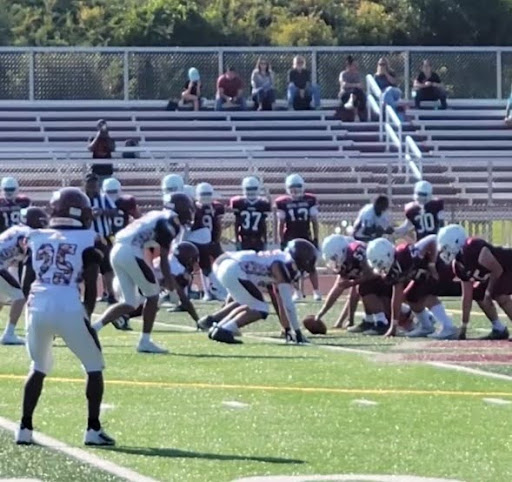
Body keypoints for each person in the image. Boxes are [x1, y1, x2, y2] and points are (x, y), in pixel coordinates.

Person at [16, 188, 114, 446]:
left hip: (38, 304)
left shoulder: (35, 236)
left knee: (38, 367)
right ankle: (93, 429)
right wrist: (86, 314)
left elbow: (27, 282)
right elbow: (92, 281)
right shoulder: (91, 238)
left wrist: (33, 306)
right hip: (68, 302)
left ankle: (24, 428)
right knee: (94, 365)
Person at [92, 193, 195, 354]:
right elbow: (163, 259)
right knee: (153, 295)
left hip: (117, 250)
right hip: (130, 251)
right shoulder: (170, 221)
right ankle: (145, 341)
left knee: (130, 302)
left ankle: (93, 329)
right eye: (188, 208)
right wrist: (171, 286)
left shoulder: (156, 214)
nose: (190, 211)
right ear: (181, 208)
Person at [202, 239, 317, 344]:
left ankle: (218, 327)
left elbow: (278, 299)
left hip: (224, 264)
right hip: (234, 268)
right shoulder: (282, 266)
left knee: (249, 304)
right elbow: (288, 305)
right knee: (261, 309)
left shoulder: (279, 259)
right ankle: (226, 329)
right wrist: (297, 332)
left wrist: (287, 329)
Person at [367, 236, 457, 339]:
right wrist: (394, 325)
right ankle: (426, 326)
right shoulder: (394, 268)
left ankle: (448, 326)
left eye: (380, 264)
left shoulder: (405, 254)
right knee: (410, 295)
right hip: (422, 275)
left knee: (426, 293)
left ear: (387, 255)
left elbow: (432, 240)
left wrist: (431, 264)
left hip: (440, 268)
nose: (381, 268)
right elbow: (397, 296)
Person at [438, 224, 512, 340]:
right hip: (498, 272)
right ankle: (499, 328)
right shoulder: (458, 265)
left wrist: (489, 291)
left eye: (445, 247)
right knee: (478, 293)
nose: (444, 251)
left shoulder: (472, 248)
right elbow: (467, 296)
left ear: (456, 242)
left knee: (500, 295)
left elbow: (497, 269)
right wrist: (464, 326)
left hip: (507, 265)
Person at [315, 234, 392, 336]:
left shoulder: (357, 253)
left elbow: (374, 274)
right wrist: (321, 313)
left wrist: (352, 283)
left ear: (341, 252)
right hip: (378, 285)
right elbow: (339, 289)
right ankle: (369, 321)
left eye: (334, 258)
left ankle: (382, 322)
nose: (333, 262)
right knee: (362, 286)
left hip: (387, 282)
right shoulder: (344, 262)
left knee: (364, 286)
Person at [0, 207, 48, 346]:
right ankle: (9, 334)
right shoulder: (29, 233)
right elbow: (25, 249)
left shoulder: (16, 228)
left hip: (2, 265)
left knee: (2, 299)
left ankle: (9, 332)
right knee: (19, 296)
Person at [275, 174, 321, 302]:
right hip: (291, 237)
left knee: (310, 265)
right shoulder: (283, 202)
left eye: (298, 187)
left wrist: (316, 238)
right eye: (292, 188)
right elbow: (281, 223)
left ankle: (316, 291)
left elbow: (314, 221)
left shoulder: (310, 200)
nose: (295, 190)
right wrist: (282, 240)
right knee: (292, 266)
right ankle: (297, 292)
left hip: (305, 236)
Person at [84, 173, 118, 304]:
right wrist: (88, 216)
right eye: (90, 185)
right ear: (86, 185)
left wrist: (102, 212)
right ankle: (87, 294)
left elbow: (114, 212)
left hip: (104, 237)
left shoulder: (104, 198)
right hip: (87, 239)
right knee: (87, 268)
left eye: (95, 185)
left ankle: (111, 294)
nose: (93, 188)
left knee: (107, 268)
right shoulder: (82, 199)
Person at [192, 183, 225, 301]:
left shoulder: (197, 207)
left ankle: (212, 291)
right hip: (210, 240)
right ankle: (214, 291)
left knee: (208, 266)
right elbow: (218, 225)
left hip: (205, 241)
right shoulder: (215, 206)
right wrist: (216, 239)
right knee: (210, 266)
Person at [230, 177, 271, 252]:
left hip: (257, 238)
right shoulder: (239, 203)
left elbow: (263, 224)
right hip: (244, 238)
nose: (251, 191)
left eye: (253, 188)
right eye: (249, 189)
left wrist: (265, 240)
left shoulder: (262, 203)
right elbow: (237, 223)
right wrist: (237, 239)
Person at [339, 55, 367, 121]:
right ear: (349, 65)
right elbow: (344, 85)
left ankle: (351, 101)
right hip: (345, 94)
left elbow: (361, 86)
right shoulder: (343, 74)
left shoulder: (357, 75)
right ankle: (356, 116)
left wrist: (352, 85)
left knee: (356, 92)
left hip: (356, 94)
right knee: (354, 93)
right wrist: (355, 85)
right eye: (354, 65)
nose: (356, 67)